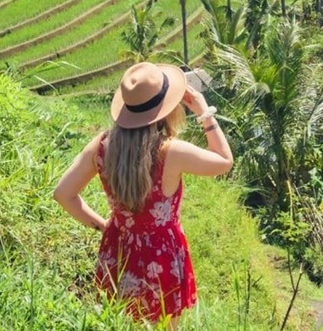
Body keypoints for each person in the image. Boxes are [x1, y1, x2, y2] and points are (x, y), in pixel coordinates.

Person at [54, 62, 233, 329]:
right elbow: (224, 160)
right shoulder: (170, 151)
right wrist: (204, 112)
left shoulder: (102, 145)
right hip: (161, 255)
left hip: (118, 247)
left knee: (121, 323)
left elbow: (63, 194)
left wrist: (104, 226)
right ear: (166, 108)